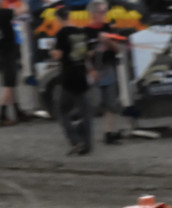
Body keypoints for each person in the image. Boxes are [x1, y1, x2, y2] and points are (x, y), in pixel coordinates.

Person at [52, 7, 99, 155]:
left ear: (59, 19)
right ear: (69, 16)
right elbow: (88, 54)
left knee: (61, 110)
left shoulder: (61, 34)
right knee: (86, 112)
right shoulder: (81, 32)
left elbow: (58, 55)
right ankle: (87, 145)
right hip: (81, 74)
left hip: (68, 75)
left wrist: (52, 51)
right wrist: (90, 70)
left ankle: (76, 140)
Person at [86, 0, 127, 145]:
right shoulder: (86, 32)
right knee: (94, 103)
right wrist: (90, 68)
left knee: (111, 103)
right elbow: (82, 55)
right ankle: (83, 130)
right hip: (93, 71)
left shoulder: (109, 28)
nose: (104, 14)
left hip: (108, 69)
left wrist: (108, 41)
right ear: (93, 13)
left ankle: (109, 132)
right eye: (101, 12)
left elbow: (118, 49)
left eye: (105, 11)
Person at [0, 0, 31, 126]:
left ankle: (18, 111)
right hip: (6, 52)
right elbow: (23, 10)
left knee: (11, 84)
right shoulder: (2, 13)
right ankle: (1, 116)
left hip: (0, 52)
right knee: (8, 85)